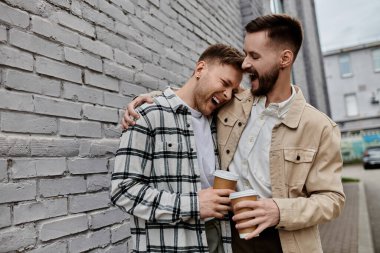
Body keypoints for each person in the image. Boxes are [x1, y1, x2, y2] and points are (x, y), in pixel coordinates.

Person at [121, 14, 345, 253]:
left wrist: (279, 210)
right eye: (246, 53)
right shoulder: (234, 102)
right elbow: (196, 95)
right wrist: (150, 101)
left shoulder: (319, 127)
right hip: (229, 239)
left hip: (285, 243)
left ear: (285, 59)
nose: (246, 64)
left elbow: (332, 199)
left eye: (254, 56)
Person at [111, 44, 244, 253]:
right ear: (200, 69)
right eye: (225, 83)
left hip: (219, 237)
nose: (227, 95)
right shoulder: (148, 115)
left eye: (233, 90)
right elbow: (123, 190)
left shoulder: (220, 121)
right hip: (172, 244)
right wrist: (193, 205)